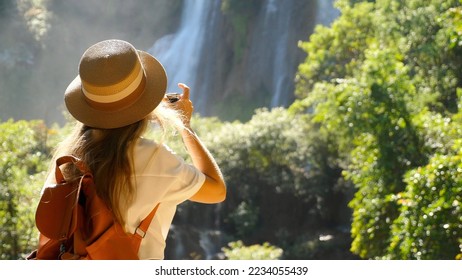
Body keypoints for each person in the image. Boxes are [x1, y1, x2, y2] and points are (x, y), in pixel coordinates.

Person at [46, 39, 226, 259]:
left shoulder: (66, 160)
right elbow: (216, 190)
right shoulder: (155, 160)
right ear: (146, 103)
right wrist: (185, 127)